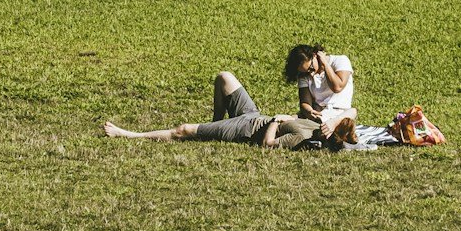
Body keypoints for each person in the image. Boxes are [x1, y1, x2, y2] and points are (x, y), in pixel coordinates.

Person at [104, 70, 321, 147]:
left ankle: (128, 135)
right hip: (253, 115)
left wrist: (276, 121)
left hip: (246, 130)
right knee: (224, 78)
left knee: (183, 130)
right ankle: (215, 123)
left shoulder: (300, 137)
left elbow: (268, 144)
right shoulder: (315, 124)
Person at [285, 43, 355, 132]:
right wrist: (309, 111)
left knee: (352, 112)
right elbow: (305, 102)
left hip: (339, 112)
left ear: (314, 56)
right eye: (306, 72)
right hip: (317, 113)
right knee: (288, 123)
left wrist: (325, 64)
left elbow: (337, 87)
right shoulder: (304, 76)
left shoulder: (340, 61)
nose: (311, 74)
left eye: (311, 68)